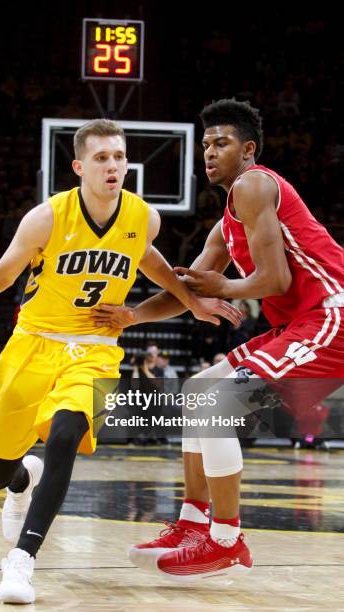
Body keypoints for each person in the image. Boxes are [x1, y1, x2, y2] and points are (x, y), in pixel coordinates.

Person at [0, 119, 241, 603]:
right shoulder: (46, 218)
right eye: (101, 158)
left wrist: (189, 299)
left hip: (95, 349)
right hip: (32, 344)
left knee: (68, 433)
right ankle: (19, 478)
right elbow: (3, 272)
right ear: (78, 167)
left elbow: (148, 258)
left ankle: (22, 560)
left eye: (119, 156)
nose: (113, 166)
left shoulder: (143, 217)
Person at [92, 100, 344, 581]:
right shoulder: (227, 221)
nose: (209, 152)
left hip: (331, 316)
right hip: (298, 325)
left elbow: (275, 280)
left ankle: (226, 540)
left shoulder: (255, 184)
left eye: (221, 143)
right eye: (205, 144)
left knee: (214, 404)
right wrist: (130, 317)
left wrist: (224, 288)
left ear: (248, 150)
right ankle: (192, 525)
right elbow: (190, 290)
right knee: (196, 391)